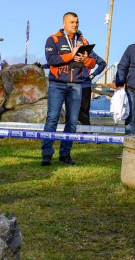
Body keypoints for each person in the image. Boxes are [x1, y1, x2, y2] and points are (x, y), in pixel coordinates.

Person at [41, 12, 95, 166]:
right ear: (64, 23)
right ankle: (46, 154)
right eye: (72, 22)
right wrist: (70, 55)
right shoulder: (53, 39)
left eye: (77, 22)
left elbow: (92, 64)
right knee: (52, 118)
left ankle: (65, 154)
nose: (75, 25)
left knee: (72, 121)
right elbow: (51, 60)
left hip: (76, 84)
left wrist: (85, 59)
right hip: (57, 84)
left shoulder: (83, 40)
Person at [77, 40, 106, 127]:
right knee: (73, 109)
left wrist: (93, 74)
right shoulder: (67, 47)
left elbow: (102, 63)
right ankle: (87, 131)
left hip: (85, 84)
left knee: (84, 110)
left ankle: (86, 133)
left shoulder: (87, 49)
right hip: (71, 83)